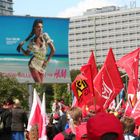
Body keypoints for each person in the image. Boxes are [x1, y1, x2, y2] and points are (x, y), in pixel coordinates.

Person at [17, 18, 55, 83]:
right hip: (33, 65)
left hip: (42, 66)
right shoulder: (32, 41)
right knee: (39, 83)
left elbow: (53, 50)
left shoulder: (45, 36)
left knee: (41, 84)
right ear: (35, 28)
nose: (41, 29)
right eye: (38, 27)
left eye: (42, 27)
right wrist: (21, 47)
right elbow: (26, 53)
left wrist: (46, 62)